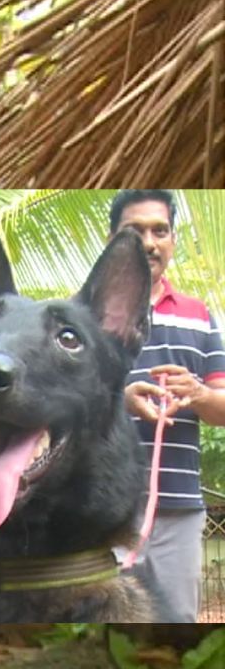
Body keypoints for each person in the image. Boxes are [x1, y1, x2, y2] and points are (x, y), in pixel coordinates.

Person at [112, 189, 225, 622]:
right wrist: (120, 401)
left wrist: (198, 394)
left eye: (160, 230)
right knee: (102, 626)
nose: (149, 242)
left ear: (173, 241)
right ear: (113, 240)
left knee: (177, 625)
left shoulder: (201, 316)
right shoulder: (82, 314)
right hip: (103, 510)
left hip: (180, 513)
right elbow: (57, 410)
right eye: (134, 230)